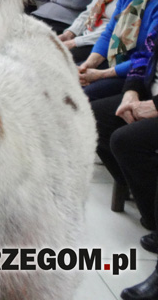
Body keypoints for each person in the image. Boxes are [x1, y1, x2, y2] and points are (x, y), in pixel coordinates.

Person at [92, 25, 158, 300]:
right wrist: (131, 93)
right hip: (149, 91)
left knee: (128, 140)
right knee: (96, 117)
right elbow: (144, 55)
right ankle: (151, 214)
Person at [78, 0, 158, 100]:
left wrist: (101, 74)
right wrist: (89, 64)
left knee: (82, 97)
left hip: (138, 74)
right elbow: (109, 32)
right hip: (116, 59)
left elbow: (148, 56)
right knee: (66, 78)